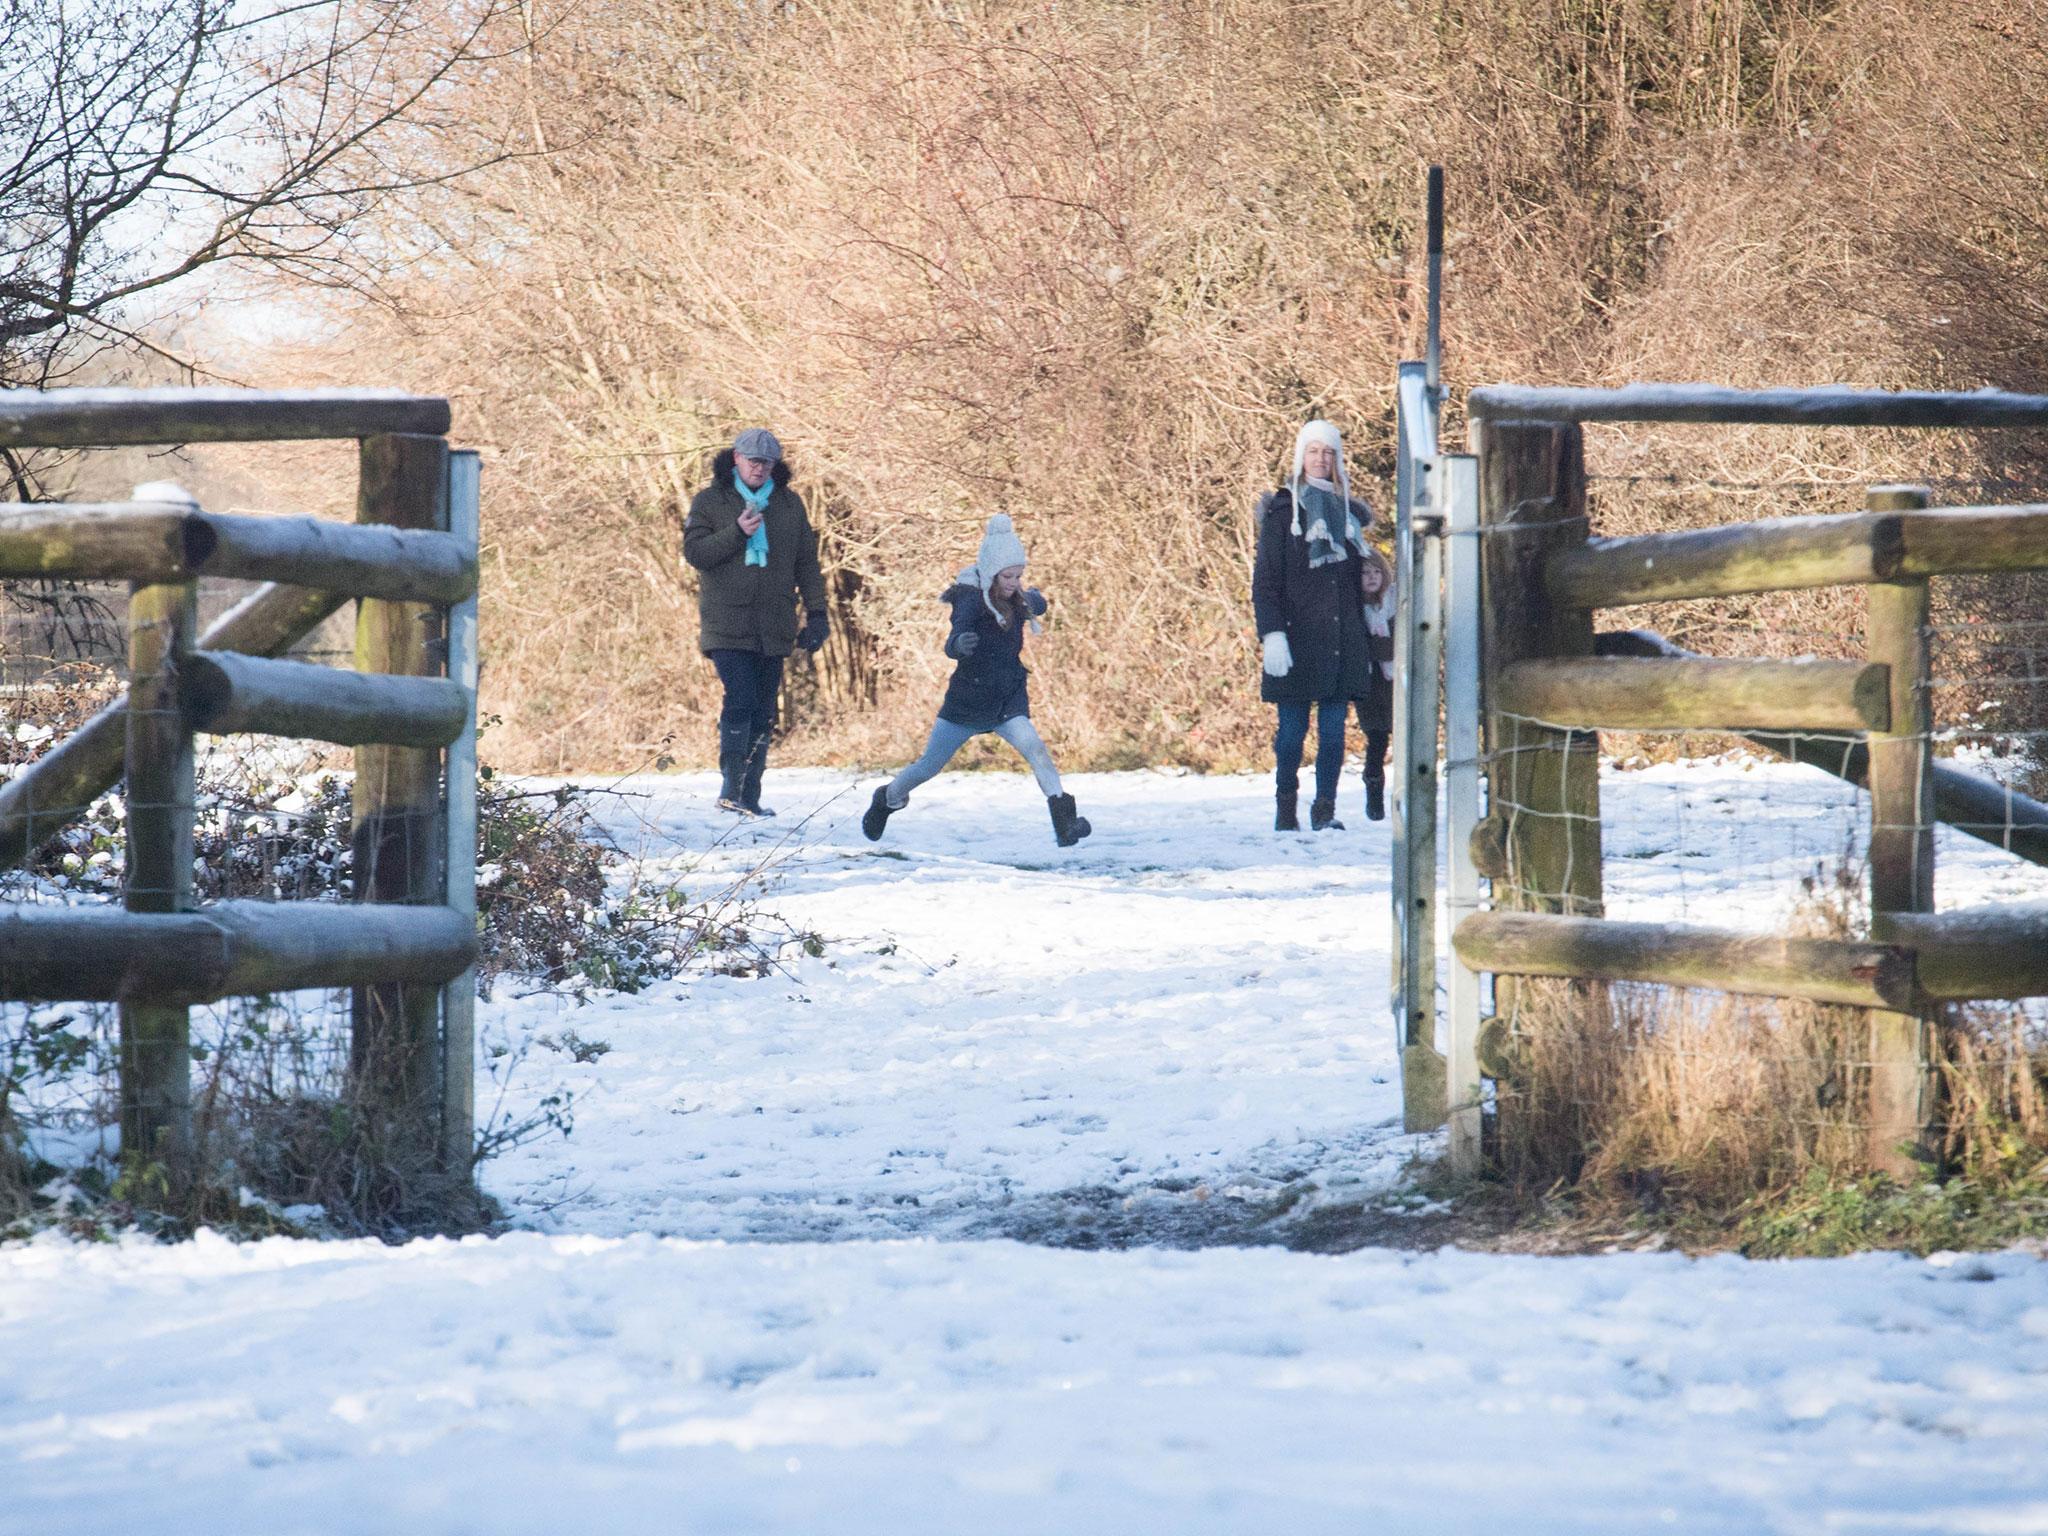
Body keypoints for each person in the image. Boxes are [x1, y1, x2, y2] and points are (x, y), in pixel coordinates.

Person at [861, 513, 1092, 848]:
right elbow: (955, 635)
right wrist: (957, 645)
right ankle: (887, 799)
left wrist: (1037, 600)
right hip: (967, 702)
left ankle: (1065, 823)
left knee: (1036, 750)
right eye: (1008, 576)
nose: (1014, 582)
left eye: (1018, 575)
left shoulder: (1017, 599)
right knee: (928, 766)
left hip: (1006, 700)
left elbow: (1034, 602)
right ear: (991, 573)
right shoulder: (970, 600)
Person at [682, 427, 828, 817]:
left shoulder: (789, 505)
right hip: (726, 623)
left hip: (775, 623)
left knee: (764, 708)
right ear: (737, 460)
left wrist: (817, 613)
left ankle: (750, 796)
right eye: (753, 461)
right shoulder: (710, 502)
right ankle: (730, 789)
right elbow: (695, 553)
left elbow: (806, 564)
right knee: (741, 697)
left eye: (767, 462)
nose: (760, 468)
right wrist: (736, 533)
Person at [1252, 419, 1378, 832]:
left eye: (1328, 452)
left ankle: (1325, 809)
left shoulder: (1348, 518)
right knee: (1291, 735)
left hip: (1342, 642)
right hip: (1296, 640)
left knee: (1333, 737)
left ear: (1338, 459)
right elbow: (1266, 581)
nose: (1320, 459)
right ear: (1300, 456)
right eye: (1313, 451)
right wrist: (1272, 635)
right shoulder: (1283, 514)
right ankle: (1285, 806)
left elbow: (1366, 582)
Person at [1355, 544, 1396, 822]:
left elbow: (1396, 645)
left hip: (1394, 679)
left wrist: (1381, 646)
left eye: (1376, 572)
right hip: (1369, 683)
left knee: (1400, 734)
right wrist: (1379, 647)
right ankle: (1374, 794)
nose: (1371, 577)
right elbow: (1364, 647)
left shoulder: (1395, 604)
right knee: (1377, 738)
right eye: (1365, 572)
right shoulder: (1356, 610)